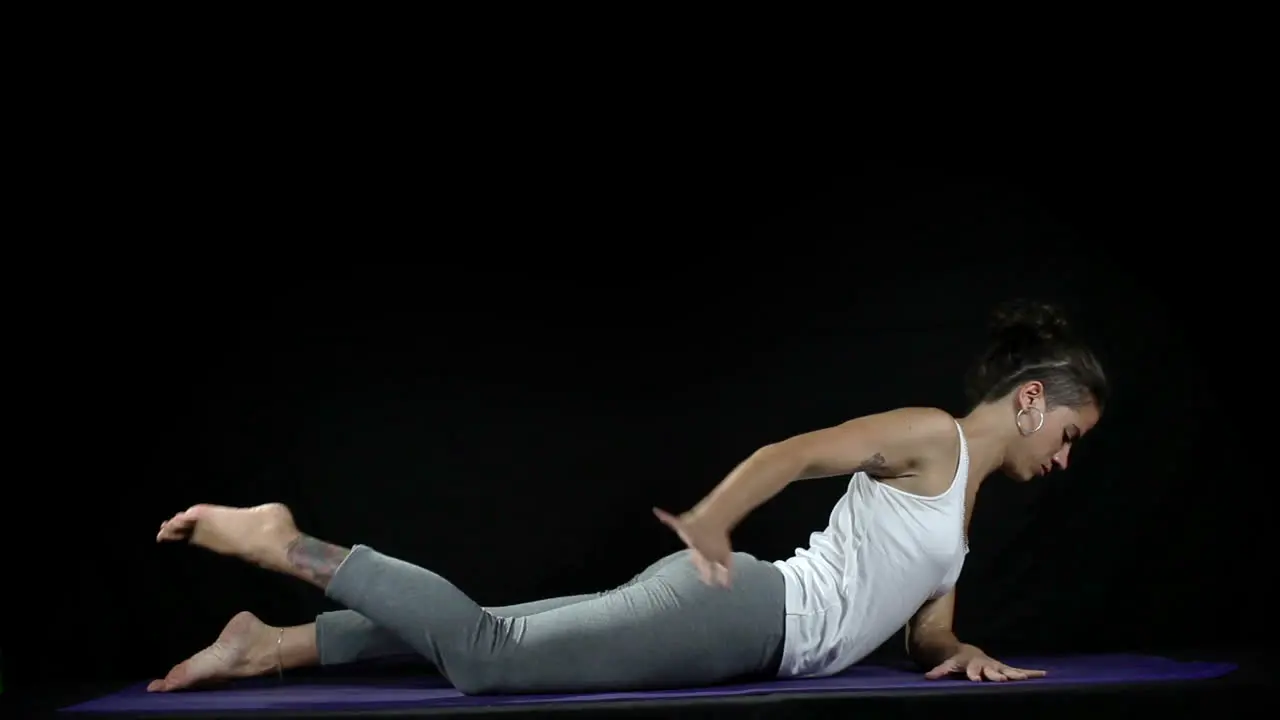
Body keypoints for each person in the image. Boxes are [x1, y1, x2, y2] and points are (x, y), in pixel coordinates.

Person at [148, 299, 1107, 694]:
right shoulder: (930, 435)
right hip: (751, 614)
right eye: (1069, 436)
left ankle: (267, 643)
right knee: (489, 660)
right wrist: (711, 521)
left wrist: (960, 648)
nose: (1067, 460)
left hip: (748, 618)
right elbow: (788, 455)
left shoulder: (964, 500)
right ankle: (290, 546)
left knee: (492, 625)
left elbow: (924, 629)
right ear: (1030, 402)